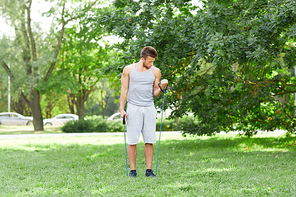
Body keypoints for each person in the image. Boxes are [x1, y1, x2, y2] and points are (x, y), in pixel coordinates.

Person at [120, 46, 168, 177]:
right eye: (149, 61)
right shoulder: (128, 70)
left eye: (153, 61)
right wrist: (121, 109)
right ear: (142, 59)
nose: (151, 64)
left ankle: (149, 170)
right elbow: (124, 90)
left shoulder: (155, 71)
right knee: (132, 141)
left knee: (149, 140)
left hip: (149, 108)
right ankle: (133, 171)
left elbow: (155, 93)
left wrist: (162, 87)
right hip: (133, 107)